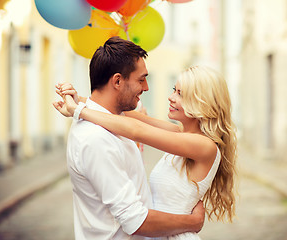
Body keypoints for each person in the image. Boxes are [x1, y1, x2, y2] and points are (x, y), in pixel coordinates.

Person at [54, 63, 238, 239]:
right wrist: (78, 99)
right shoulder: (180, 133)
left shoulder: (204, 146)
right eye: (174, 89)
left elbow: (136, 130)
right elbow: (125, 114)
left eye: (181, 94)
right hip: (162, 234)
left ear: (202, 102)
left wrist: (79, 111)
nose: (171, 97)